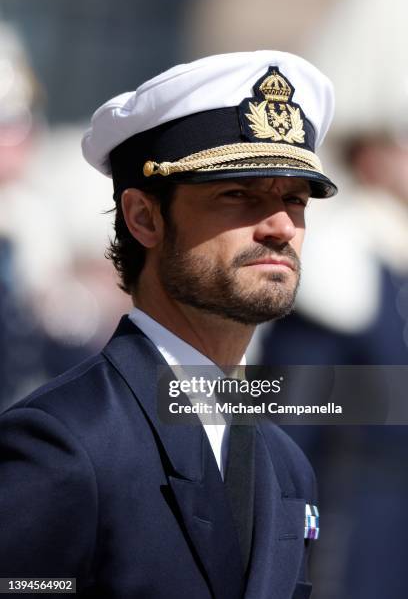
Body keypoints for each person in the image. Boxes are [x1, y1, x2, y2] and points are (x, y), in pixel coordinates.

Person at [0, 51, 337, 598]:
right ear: (144, 217)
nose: (280, 226)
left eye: (295, 200)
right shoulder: (62, 444)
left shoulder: (287, 464)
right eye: (238, 195)